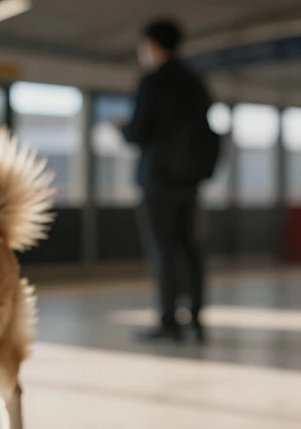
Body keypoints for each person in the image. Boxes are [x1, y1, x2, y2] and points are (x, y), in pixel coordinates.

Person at [116, 19, 214, 343]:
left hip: (158, 181)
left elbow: (140, 132)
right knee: (190, 250)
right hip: (190, 181)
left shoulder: (153, 82)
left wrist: (123, 128)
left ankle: (169, 322)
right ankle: (197, 320)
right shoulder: (195, 82)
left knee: (164, 252)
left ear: (153, 46)